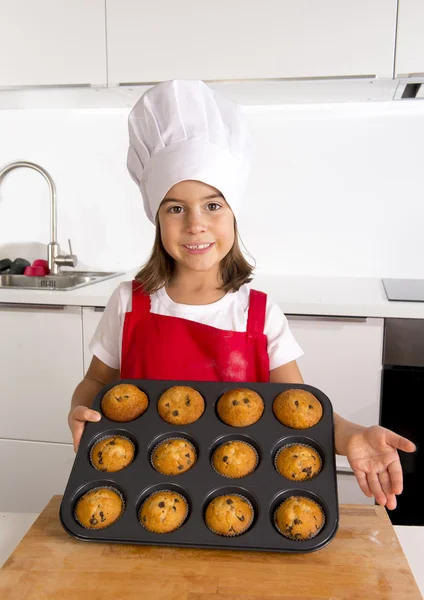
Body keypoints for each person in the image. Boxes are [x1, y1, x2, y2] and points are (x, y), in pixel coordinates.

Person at [68, 79, 416, 511]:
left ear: (234, 214)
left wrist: (351, 436)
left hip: (239, 493)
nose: (196, 224)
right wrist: (79, 408)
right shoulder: (129, 302)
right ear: (156, 219)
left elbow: (300, 409)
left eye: (213, 206)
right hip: (139, 492)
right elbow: (97, 381)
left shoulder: (259, 314)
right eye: (175, 208)